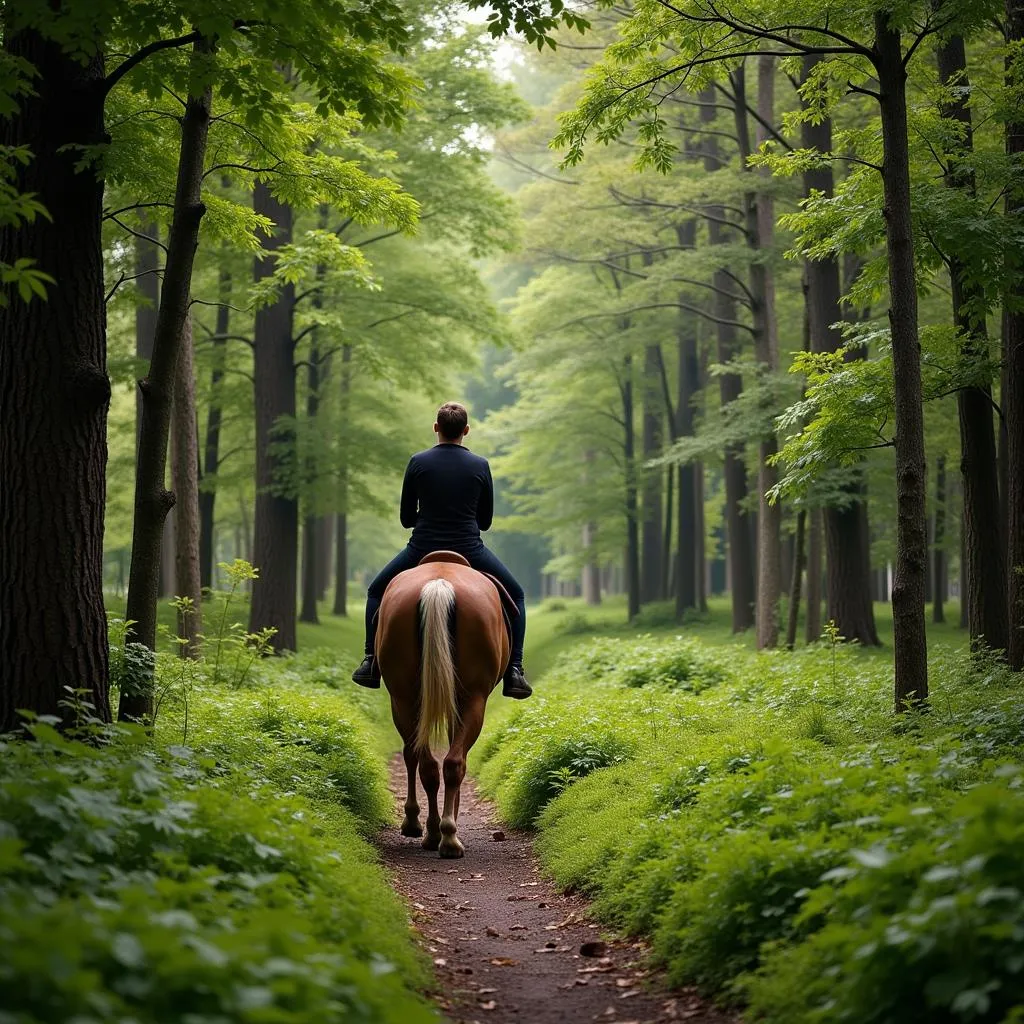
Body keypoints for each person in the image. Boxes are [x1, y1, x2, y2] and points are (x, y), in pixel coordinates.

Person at [352, 402, 532, 699]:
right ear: (466, 431)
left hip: (421, 547)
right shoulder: (480, 465)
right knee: (517, 595)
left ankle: (371, 661)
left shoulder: (418, 462)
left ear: (436, 428)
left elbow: (406, 518)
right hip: (470, 549)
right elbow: (485, 522)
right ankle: (515, 670)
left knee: (375, 592)